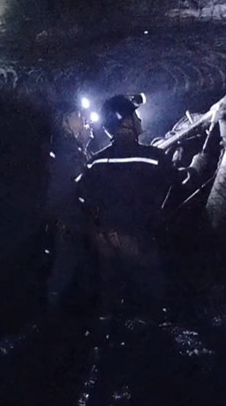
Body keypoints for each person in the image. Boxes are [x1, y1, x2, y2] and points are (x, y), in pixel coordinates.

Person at [78, 94, 179, 320]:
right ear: (126, 122)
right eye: (135, 115)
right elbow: (176, 185)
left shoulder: (94, 163)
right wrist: (195, 166)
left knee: (112, 305)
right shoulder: (153, 158)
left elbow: (86, 201)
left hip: (106, 244)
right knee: (151, 305)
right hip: (141, 243)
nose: (139, 119)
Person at [45, 101, 93, 310]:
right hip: (67, 215)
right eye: (77, 115)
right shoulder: (65, 146)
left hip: (68, 214)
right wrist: (83, 144)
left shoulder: (66, 145)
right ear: (65, 121)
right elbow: (79, 177)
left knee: (72, 265)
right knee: (64, 266)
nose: (82, 118)